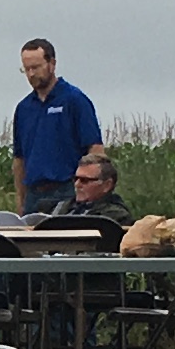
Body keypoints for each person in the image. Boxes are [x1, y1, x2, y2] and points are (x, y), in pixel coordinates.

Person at [9, 38, 104, 216]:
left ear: (51, 64)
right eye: (26, 69)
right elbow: (19, 159)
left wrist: (93, 192)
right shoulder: (23, 109)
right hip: (34, 194)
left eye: (35, 68)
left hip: (67, 190)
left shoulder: (74, 100)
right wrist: (20, 201)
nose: (30, 75)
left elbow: (95, 149)